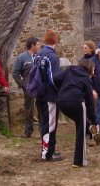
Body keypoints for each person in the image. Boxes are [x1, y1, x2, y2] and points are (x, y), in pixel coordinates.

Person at [54, 59, 100, 168]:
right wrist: (94, 121)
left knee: (81, 122)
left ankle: (88, 128)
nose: (94, 70)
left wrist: (62, 88)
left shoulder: (69, 70)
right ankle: (79, 161)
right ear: (89, 68)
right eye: (93, 68)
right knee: (80, 131)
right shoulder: (86, 79)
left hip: (61, 102)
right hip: (76, 102)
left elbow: (55, 79)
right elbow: (90, 101)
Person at [36, 30, 62, 161]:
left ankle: (46, 150)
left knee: (44, 123)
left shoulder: (38, 54)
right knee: (50, 124)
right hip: (50, 95)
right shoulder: (52, 56)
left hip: (39, 93)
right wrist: (61, 89)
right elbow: (54, 78)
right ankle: (48, 153)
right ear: (55, 41)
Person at [12, 37, 41, 138]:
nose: (39, 46)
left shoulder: (39, 56)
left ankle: (43, 131)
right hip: (29, 88)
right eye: (37, 44)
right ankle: (28, 131)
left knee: (41, 108)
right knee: (29, 109)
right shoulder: (22, 57)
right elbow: (15, 73)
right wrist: (22, 84)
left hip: (40, 87)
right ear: (32, 46)